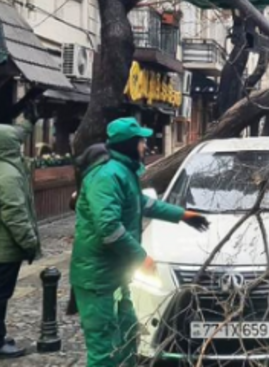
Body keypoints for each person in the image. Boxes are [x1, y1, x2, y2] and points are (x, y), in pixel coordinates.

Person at [70, 117, 210, 367]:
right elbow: (108, 227)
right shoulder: (107, 175)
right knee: (104, 347)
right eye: (142, 141)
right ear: (129, 144)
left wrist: (182, 215)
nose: (146, 145)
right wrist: (140, 257)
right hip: (98, 279)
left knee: (126, 335)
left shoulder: (123, 171)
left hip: (114, 276)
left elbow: (143, 204)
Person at [0, 119, 40, 359]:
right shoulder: (8, 174)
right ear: (7, 146)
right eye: (15, 143)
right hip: (4, 244)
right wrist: (30, 243)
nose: (20, 146)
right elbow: (15, 215)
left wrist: (27, 123)